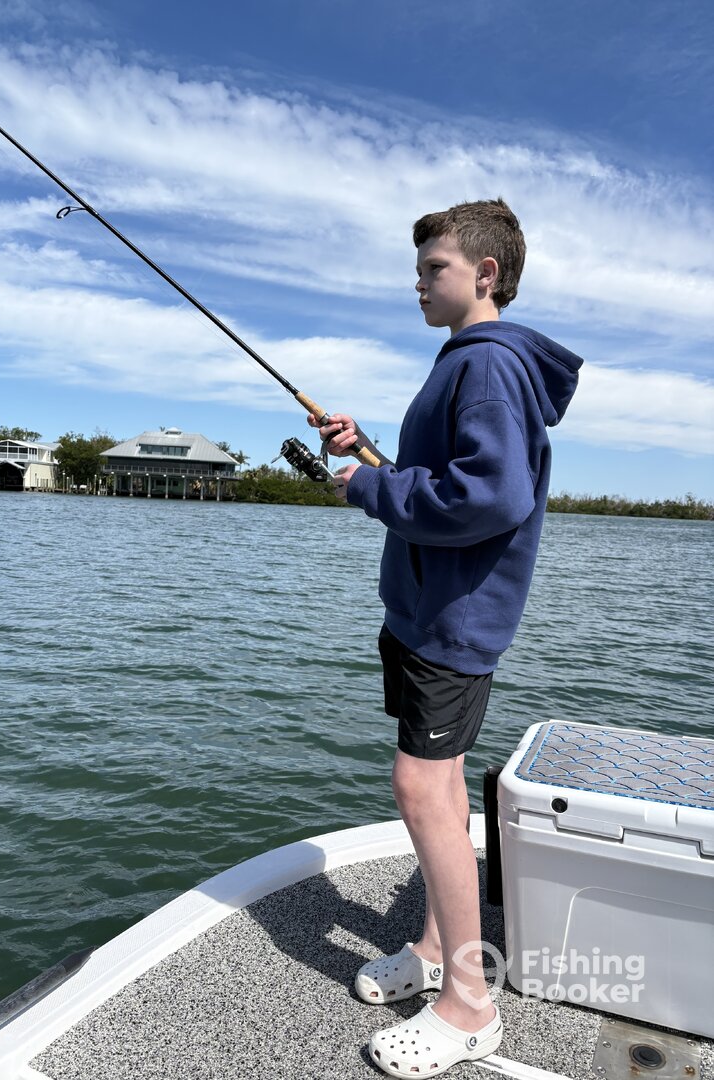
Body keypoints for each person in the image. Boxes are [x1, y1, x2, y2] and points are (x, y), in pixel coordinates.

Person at [309, 197, 582, 1079]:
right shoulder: (467, 362)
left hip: (453, 622)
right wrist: (371, 454)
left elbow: (490, 498)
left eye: (435, 268)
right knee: (444, 785)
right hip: (424, 610)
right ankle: (432, 949)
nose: (419, 283)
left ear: (485, 274)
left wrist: (369, 490)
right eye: (421, 268)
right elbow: (445, 481)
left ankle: (469, 1005)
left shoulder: (490, 365)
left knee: (421, 787)